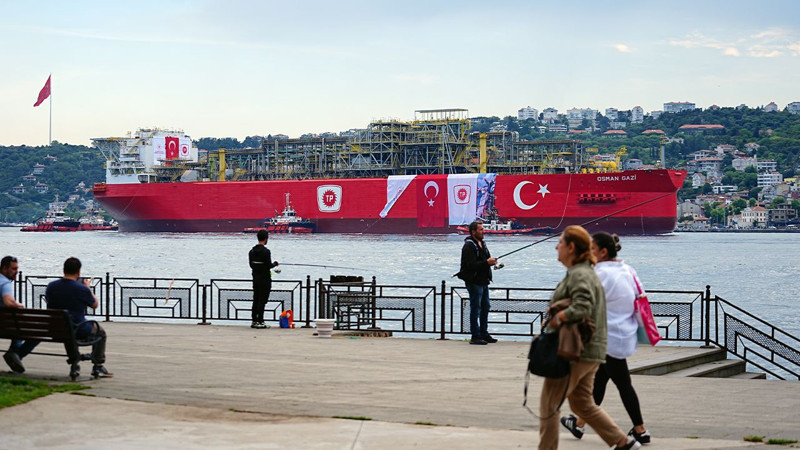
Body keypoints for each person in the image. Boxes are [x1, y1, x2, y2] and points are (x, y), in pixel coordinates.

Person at [539, 225, 640, 450]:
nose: (556, 247)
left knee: (549, 405)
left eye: (561, 243)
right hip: (591, 349)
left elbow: (583, 305)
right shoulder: (585, 271)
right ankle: (624, 443)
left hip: (576, 351)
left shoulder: (580, 273)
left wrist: (559, 318)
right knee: (583, 404)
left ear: (571, 247)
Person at [560, 232, 650, 444]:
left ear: (602, 252)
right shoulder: (629, 270)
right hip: (624, 334)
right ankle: (580, 424)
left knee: (622, 383)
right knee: (600, 381)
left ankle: (640, 430)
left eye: (591, 249)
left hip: (605, 337)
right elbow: (640, 298)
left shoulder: (597, 274)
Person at [45, 257, 112, 379]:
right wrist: (88, 289)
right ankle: (98, 364)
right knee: (100, 332)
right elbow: (95, 305)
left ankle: (74, 363)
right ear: (78, 272)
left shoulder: (51, 286)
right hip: (79, 329)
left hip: (56, 329)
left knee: (68, 330)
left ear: (64, 270)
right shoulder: (81, 289)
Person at [459, 221, 498, 345]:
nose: (483, 231)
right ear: (473, 232)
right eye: (480, 230)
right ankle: (475, 336)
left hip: (484, 280)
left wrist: (492, 262)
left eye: (483, 229)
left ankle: (484, 333)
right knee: (475, 308)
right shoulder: (468, 246)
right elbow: (470, 265)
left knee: (485, 307)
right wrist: (487, 263)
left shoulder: (483, 243)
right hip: (474, 281)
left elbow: (485, 259)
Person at [1, 256, 39, 373]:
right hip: (6, 326)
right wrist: (20, 305)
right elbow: (8, 302)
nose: (16, 272)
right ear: (4, 268)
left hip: (4, 323)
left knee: (17, 325)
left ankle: (15, 354)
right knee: (34, 331)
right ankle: (16, 354)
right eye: (14, 269)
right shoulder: (5, 283)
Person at [249, 229, 279, 329]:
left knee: (256, 299)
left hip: (255, 278)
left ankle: (254, 320)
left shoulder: (251, 251)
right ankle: (261, 321)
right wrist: (275, 264)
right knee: (262, 300)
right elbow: (268, 265)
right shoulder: (266, 252)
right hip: (265, 279)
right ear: (266, 239)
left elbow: (251, 265)